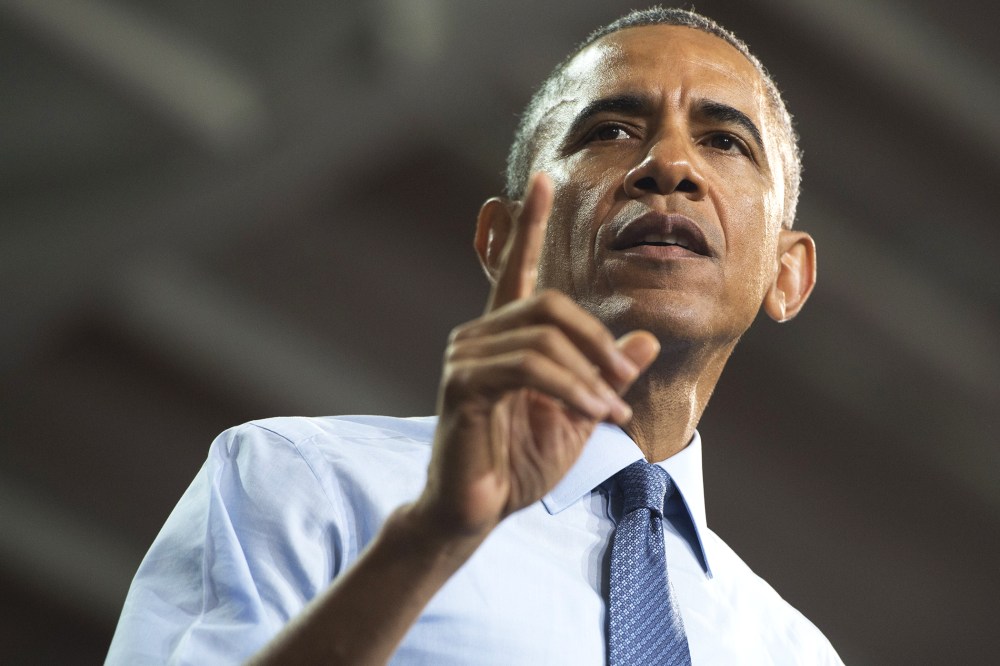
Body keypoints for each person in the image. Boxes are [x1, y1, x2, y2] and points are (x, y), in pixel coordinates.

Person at [108, 7, 844, 665]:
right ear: (501, 239)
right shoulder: (301, 480)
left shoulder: (796, 652)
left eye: (725, 141)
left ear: (788, 274)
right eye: (610, 131)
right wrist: (431, 539)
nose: (669, 165)